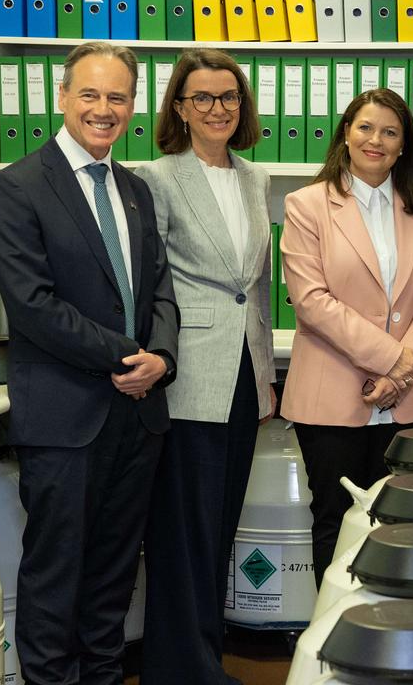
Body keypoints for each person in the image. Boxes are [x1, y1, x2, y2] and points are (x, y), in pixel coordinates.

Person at [0, 42, 178, 685]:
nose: (103, 109)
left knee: (115, 572)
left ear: (132, 107)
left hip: (138, 414)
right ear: (62, 97)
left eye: (117, 97)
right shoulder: (16, 187)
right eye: (90, 94)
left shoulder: (136, 188)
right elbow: (34, 306)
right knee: (56, 573)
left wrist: (164, 359)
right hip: (65, 416)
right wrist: (129, 355)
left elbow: (159, 291)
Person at [135, 48, 276, 684]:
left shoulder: (256, 179)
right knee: (183, 531)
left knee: (219, 526)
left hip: (245, 374)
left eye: (228, 97)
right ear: (180, 109)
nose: (218, 108)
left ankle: (201, 659)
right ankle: (183, 668)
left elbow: (257, 286)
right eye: (203, 98)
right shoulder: (158, 178)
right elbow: (151, 282)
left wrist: (267, 375)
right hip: (189, 373)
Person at [280, 88, 413, 583]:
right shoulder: (306, 205)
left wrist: (402, 372)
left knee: (402, 526)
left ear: (403, 147)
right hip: (332, 396)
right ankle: (336, 640)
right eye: (365, 128)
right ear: (346, 135)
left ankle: (392, 642)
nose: (376, 140)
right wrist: (393, 362)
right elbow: (312, 302)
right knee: (337, 523)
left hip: (408, 400)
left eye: (390, 132)